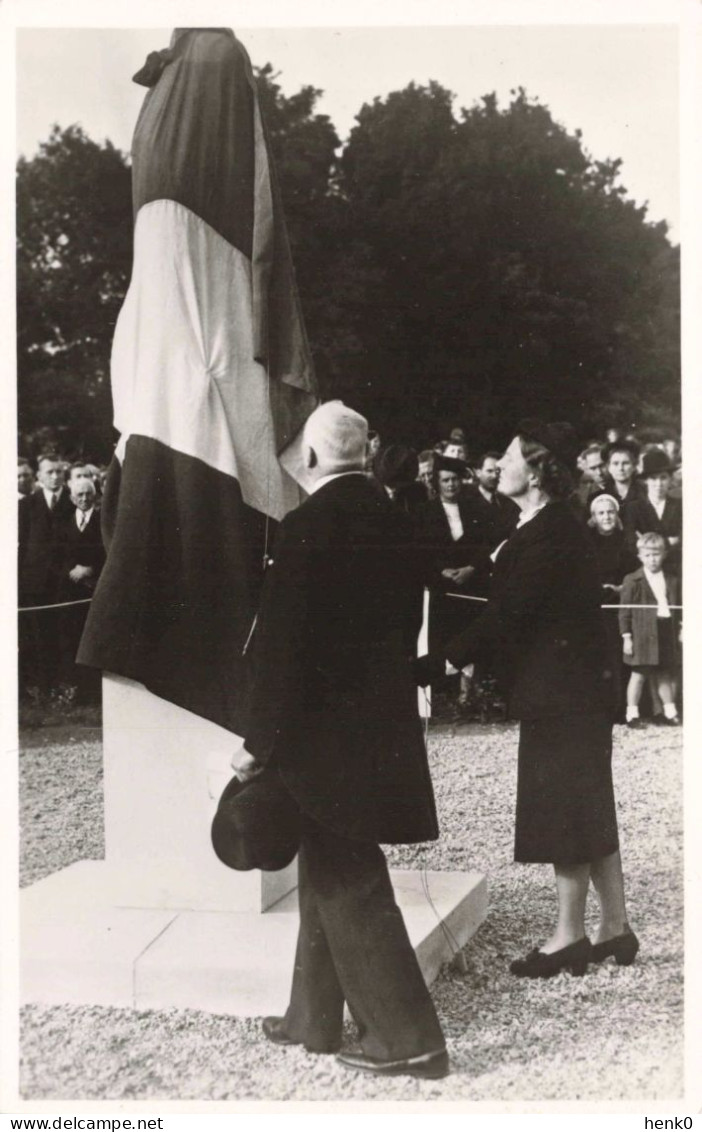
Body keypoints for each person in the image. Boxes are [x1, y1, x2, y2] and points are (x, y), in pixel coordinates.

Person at [235, 401, 448, 1080]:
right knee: (326, 867)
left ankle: (409, 1038)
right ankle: (313, 1016)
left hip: (319, 741)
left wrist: (255, 745)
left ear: (315, 458)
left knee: (349, 879)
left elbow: (281, 651)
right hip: (380, 732)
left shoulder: (306, 527)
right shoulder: (396, 519)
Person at [416, 420, 638, 976]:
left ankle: (569, 937)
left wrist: (441, 660)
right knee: (589, 798)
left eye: (510, 458)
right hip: (574, 687)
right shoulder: (541, 525)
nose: (498, 467)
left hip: (563, 690)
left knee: (565, 804)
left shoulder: (552, 531)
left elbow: (508, 614)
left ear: (535, 472)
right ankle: (614, 927)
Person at [18, 453, 75, 693]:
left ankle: (64, 685)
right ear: (39, 476)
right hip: (35, 582)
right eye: (49, 472)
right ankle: (42, 686)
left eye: (58, 471)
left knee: (64, 633)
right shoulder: (26, 505)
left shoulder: (74, 503)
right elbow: (21, 545)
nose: (54, 476)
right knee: (38, 635)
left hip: (65, 582)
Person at [619, 532, 681, 728]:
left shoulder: (672, 579)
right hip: (642, 634)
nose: (652, 559)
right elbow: (624, 612)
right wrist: (627, 638)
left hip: (665, 630)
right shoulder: (632, 580)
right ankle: (632, 715)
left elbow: (678, 607)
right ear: (640, 556)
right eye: (647, 555)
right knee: (639, 675)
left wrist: (681, 629)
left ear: (664, 554)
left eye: (656, 554)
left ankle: (670, 712)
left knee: (663, 673)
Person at [587, 495, 638, 721]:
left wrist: (620, 588)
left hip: (620, 604)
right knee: (596, 656)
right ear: (594, 517)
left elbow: (635, 573)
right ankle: (597, 709)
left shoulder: (626, 541)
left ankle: (619, 710)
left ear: (616, 515)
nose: (606, 517)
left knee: (618, 657)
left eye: (610, 512)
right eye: (601, 513)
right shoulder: (586, 542)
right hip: (594, 605)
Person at [57, 474, 106, 700]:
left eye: (88, 494)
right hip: (71, 591)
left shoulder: (103, 521)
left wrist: (91, 569)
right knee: (72, 638)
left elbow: (110, 551)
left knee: (95, 638)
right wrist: (71, 570)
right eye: (80, 494)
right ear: (72, 498)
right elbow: (56, 553)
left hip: (96, 590)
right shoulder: (63, 522)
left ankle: (95, 691)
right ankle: (76, 690)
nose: (84, 498)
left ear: (95, 496)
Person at [621, 449, 682, 575]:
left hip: (676, 570)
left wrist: (646, 543)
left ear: (670, 479)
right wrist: (669, 541)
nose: (658, 484)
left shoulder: (680, 506)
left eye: (663, 478)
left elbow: (685, 540)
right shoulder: (633, 508)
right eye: (653, 479)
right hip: (643, 571)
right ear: (646, 481)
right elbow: (632, 544)